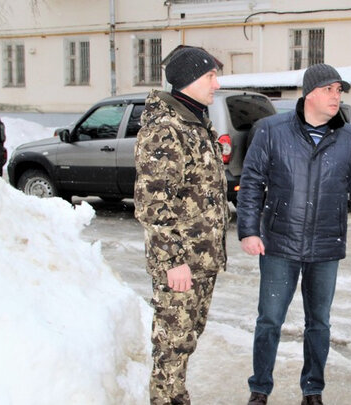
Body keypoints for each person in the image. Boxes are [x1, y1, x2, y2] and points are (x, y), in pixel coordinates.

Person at [236, 63, 351, 405]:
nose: (336, 96)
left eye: (339, 91)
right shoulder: (272, 130)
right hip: (279, 243)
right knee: (269, 320)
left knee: (319, 323)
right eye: (329, 89)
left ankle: (312, 390)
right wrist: (248, 230)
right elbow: (252, 182)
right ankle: (259, 389)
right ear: (310, 93)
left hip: (326, 246)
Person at [134, 47, 228, 405]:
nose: (216, 84)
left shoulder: (195, 121)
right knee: (172, 347)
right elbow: (153, 203)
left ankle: (175, 398)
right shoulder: (166, 129)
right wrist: (173, 261)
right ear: (189, 80)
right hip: (180, 263)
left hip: (200, 260)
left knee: (186, 340)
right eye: (210, 76)